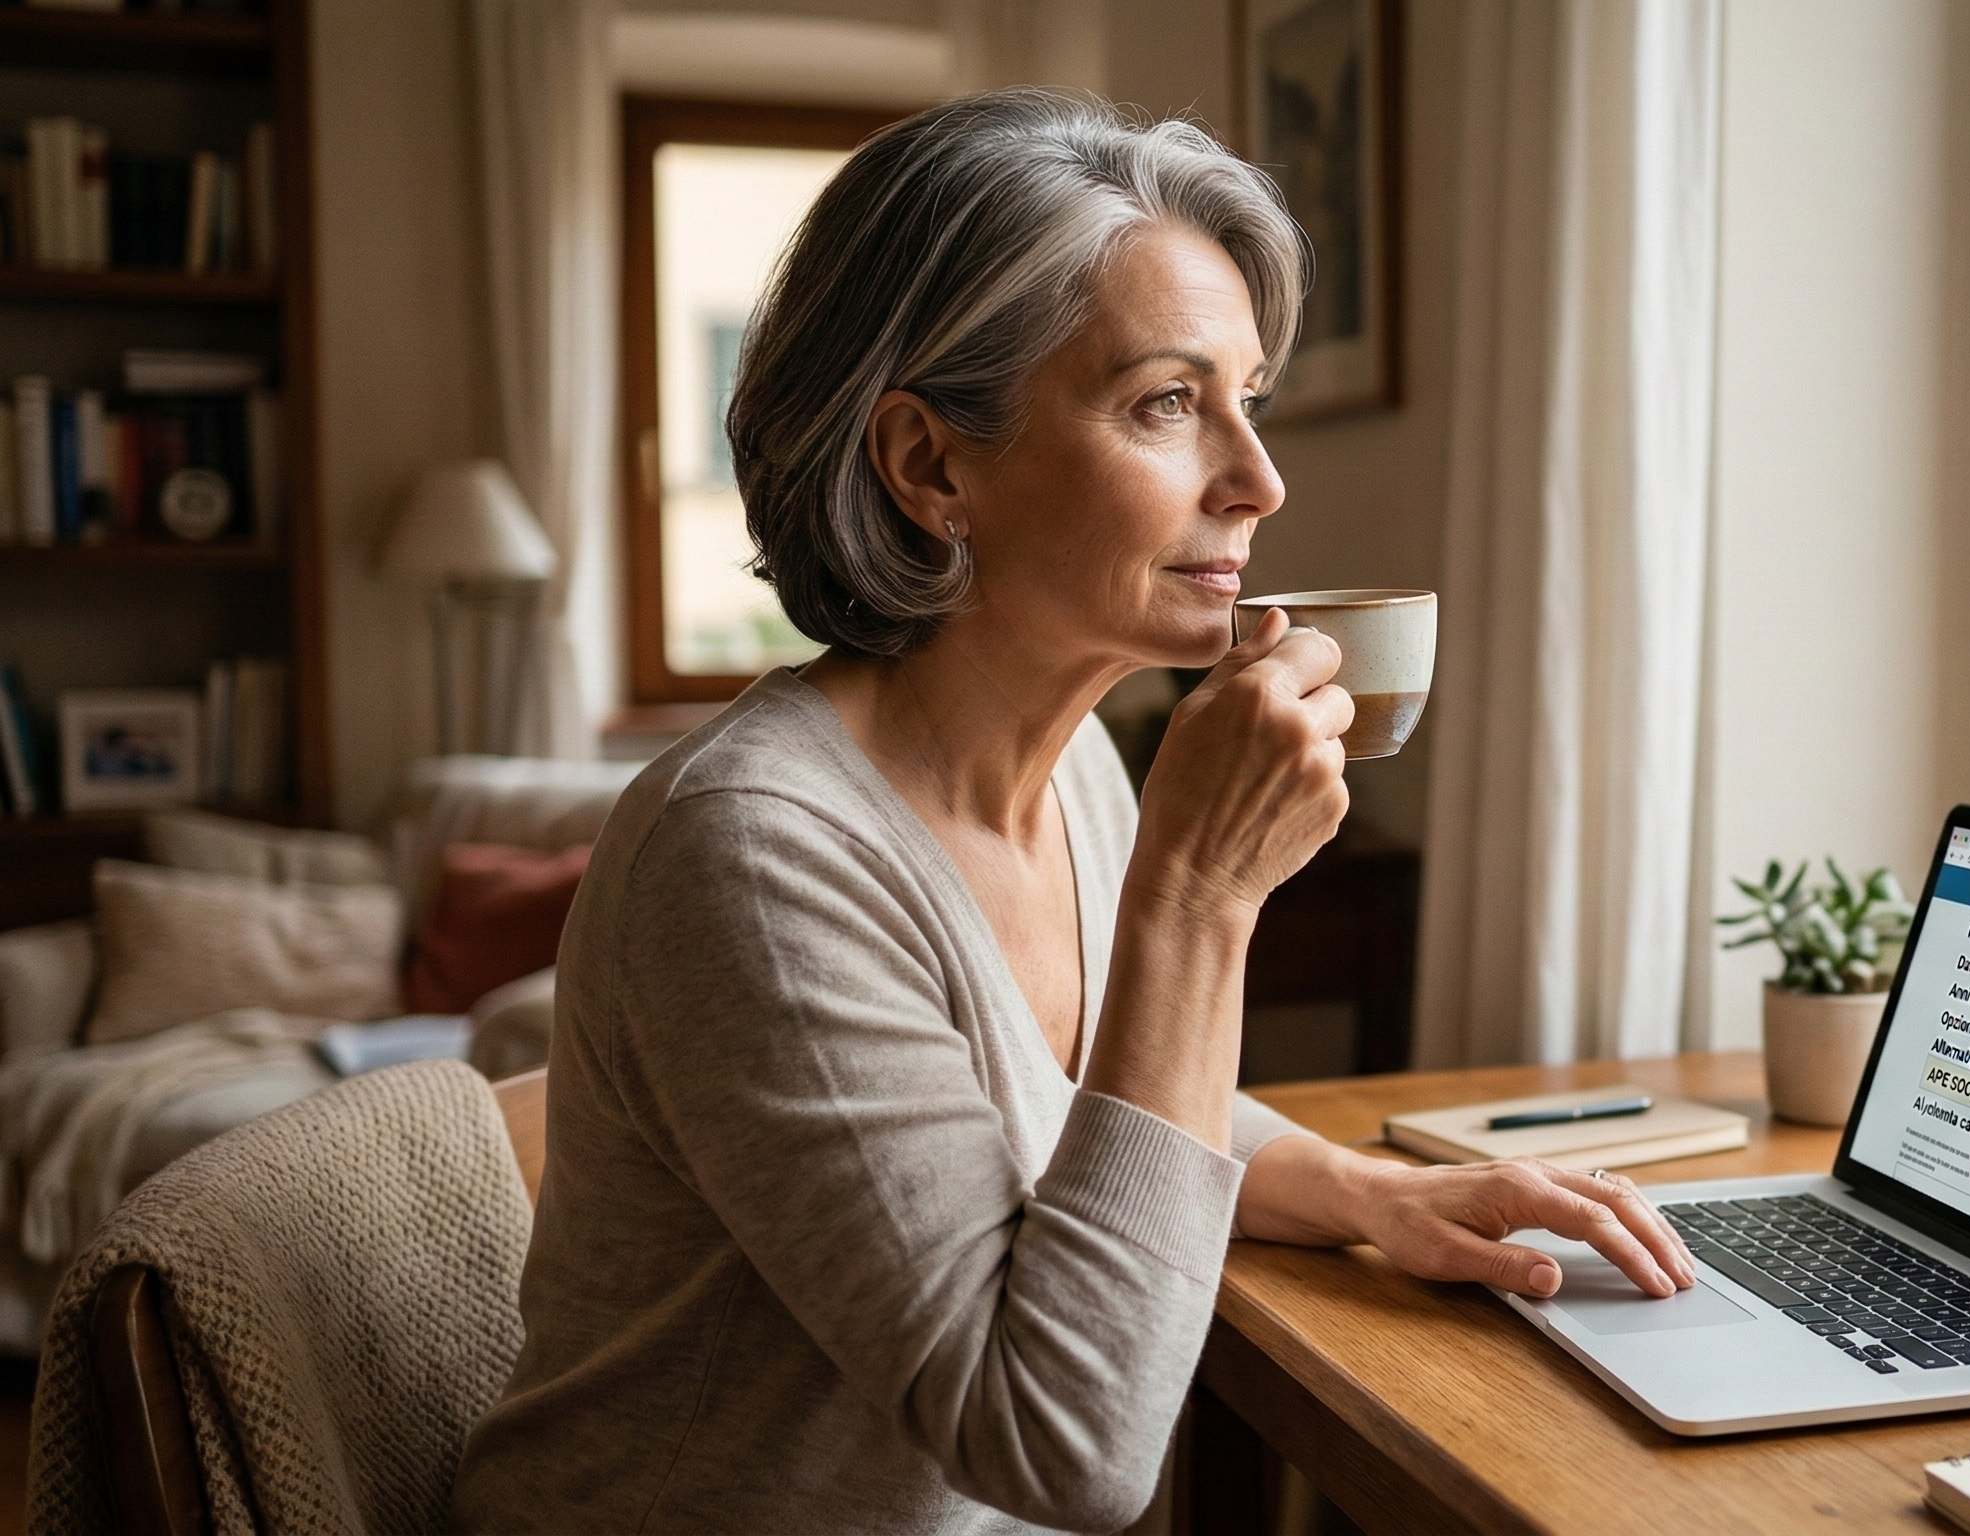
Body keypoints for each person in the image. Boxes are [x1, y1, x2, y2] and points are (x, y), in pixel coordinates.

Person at [450, 88, 1693, 1534]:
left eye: (1249, 402)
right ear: (930, 465)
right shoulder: (755, 855)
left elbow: (1071, 1109)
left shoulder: (1079, 768)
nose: (1260, 480)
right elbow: (1068, 1447)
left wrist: (1367, 1195)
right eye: (1167, 403)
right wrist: (1200, 900)